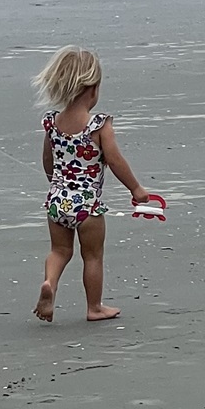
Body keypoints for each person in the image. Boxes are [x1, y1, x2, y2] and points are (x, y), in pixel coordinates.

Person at [32, 45, 153, 324]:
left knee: (59, 251)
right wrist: (136, 189)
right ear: (92, 89)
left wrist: (57, 185)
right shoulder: (98, 125)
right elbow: (115, 161)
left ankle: (50, 283)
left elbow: (47, 162)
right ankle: (94, 307)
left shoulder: (52, 123)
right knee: (93, 256)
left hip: (57, 200)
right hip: (88, 205)